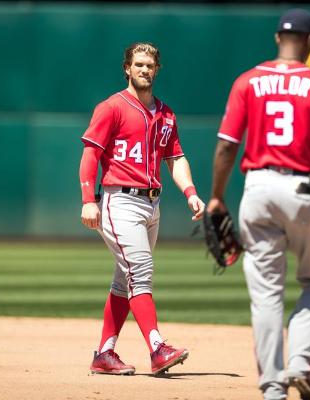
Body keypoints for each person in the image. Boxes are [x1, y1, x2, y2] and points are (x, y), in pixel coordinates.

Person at [207, 9, 310, 400]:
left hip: (256, 189)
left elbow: (226, 146)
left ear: (277, 39)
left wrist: (217, 196)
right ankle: (301, 364)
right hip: (301, 190)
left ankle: (273, 388)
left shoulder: (247, 82)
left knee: (267, 295)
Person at [79, 42, 205, 376]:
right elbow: (90, 154)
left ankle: (104, 355)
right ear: (127, 68)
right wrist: (88, 200)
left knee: (125, 281)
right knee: (141, 271)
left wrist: (190, 192)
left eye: (149, 65)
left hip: (152, 204)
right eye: (138, 64)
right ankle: (157, 348)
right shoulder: (112, 107)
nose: (144, 70)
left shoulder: (166, 114)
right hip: (119, 200)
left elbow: (175, 159)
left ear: (157, 69)